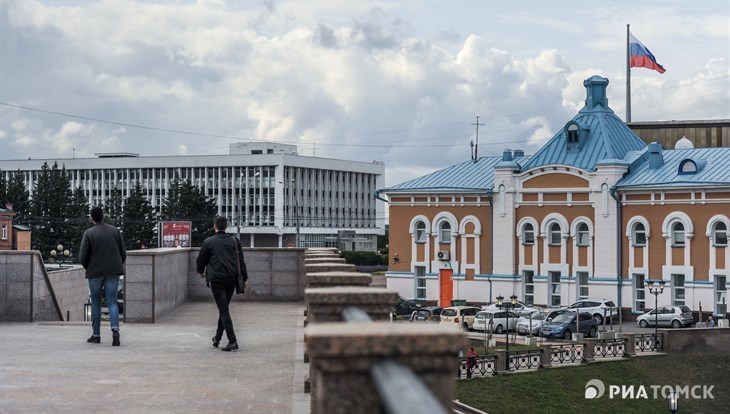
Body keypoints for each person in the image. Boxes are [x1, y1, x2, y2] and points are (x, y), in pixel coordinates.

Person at [196, 216, 247, 352]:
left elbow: (201, 260)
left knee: (223, 309)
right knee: (223, 309)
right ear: (226, 226)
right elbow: (241, 261)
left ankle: (232, 341)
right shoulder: (235, 241)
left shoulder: (208, 242)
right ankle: (217, 338)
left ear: (215, 226)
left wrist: (201, 272)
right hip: (232, 279)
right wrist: (245, 279)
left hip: (216, 280)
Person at [79, 206, 127, 346]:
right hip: (113, 270)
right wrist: (117, 265)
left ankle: (96, 335)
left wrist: (89, 266)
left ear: (92, 218)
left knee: (95, 302)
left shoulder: (89, 233)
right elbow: (123, 253)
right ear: (103, 216)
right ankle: (115, 331)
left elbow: (83, 256)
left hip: (95, 272)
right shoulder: (115, 231)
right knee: (112, 301)